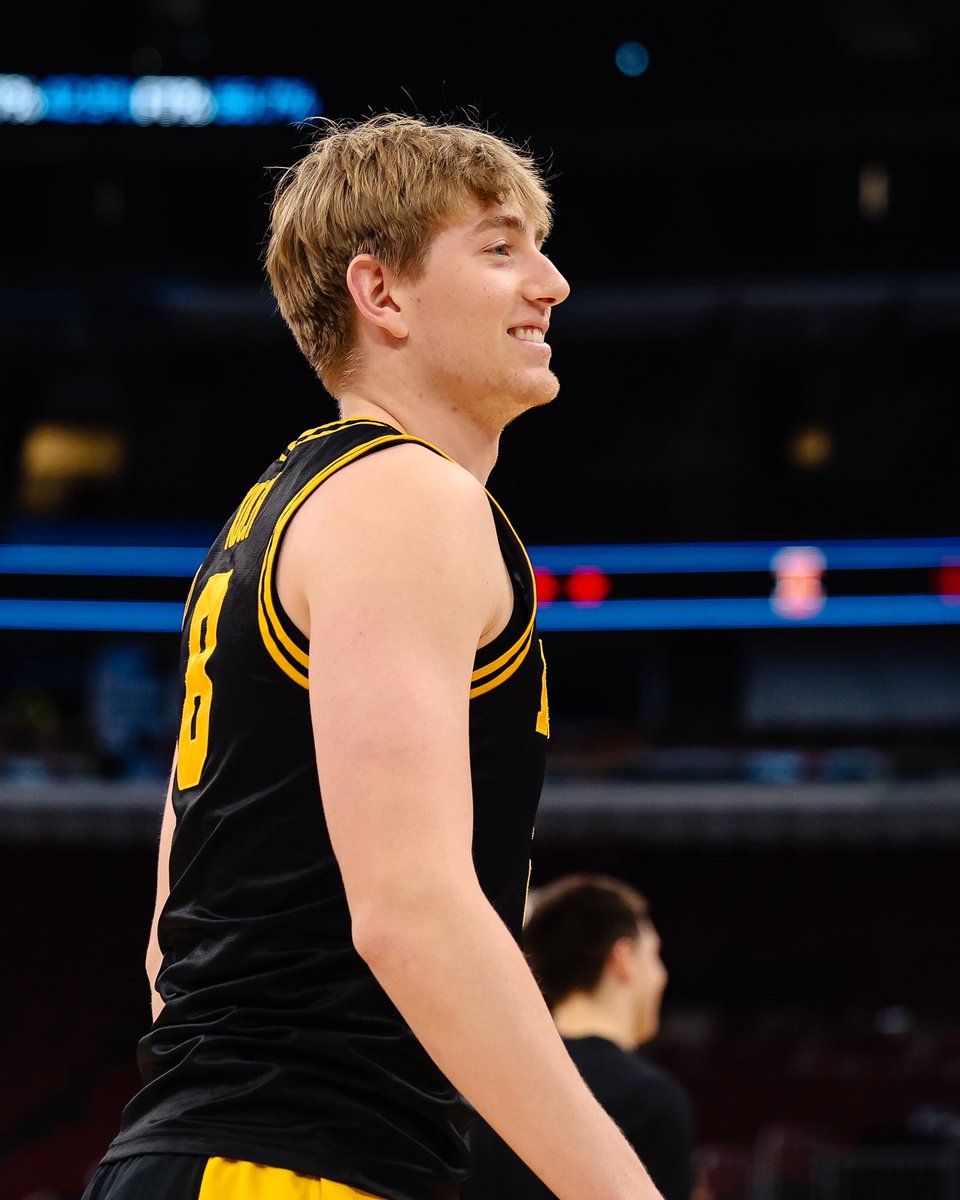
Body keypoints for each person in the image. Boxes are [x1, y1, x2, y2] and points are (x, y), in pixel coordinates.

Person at [80, 112, 666, 1200]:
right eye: (500, 248)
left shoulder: (276, 511)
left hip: (219, 1154)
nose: (551, 284)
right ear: (381, 293)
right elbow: (411, 912)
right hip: (289, 1167)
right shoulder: (405, 498)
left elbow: (172, 945)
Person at [462, 874, 700, 1200]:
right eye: (655, 956)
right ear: (623, 957)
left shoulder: (486, 1087)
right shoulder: (653, 1099)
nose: (661, 974)